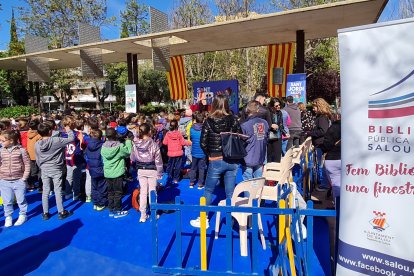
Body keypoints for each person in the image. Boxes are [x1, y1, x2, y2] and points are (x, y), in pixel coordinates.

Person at [191, 95, 242, 228]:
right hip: (231, 159)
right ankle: (231, 219)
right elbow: (240, 137)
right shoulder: (234, 119)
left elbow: (203, 142)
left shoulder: (209, 121)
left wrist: (210, 154)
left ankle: (204, 219)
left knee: (208, 190)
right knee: (230, 192)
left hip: (215, 159)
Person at [36, 122, 74, 220]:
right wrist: (68, 129)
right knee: (58, 190)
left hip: (44, 168)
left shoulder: (37, 144)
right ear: (50, 131)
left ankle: (45, 212)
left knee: (46, 191)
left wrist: (42, 166)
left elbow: (37, 159)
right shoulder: (56, 140)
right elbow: (71, 139)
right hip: (56, 168)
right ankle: (61, 211)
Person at [132, 123, 163, 223]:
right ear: (149, 131)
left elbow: (132, 157)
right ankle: (153, 213)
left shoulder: (136, 144)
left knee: (143, 192)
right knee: (152, 191)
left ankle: (143, 215)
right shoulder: (154, 144)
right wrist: (159, 173)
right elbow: (158, 160)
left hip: (141, 169)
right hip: (152, 169)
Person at [0, 130, 30, 227]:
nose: (1, 142)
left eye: (3, 140)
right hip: (4, 180)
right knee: (7, 201)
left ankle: (23, 215)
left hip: (19, 180)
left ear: (11, 140)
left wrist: (24, 178)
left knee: (21, 199)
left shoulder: (21, 150)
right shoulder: (1, 151)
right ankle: (8, 217)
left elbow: (27, 164)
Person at [101, 127, 132, 218]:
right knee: (118, 192)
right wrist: (128, 141)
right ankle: (118, 210)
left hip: (107, 173)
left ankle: (111, 209)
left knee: (110, 192)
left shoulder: (103, 146)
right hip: (117, 173)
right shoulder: (119, 146)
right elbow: (128, 153)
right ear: (115, 135)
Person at [308, 98, 333, 191]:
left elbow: (323, 130)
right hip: (321, 144)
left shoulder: (322, 117)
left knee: (322, 165)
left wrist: (311, 133)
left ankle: (325, 184)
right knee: (322, 164)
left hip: (321, 144)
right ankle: (324, 183)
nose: (313, 109)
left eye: (314, 107)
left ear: (319, 106)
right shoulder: (323, 116)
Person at [241, 100, 269, 180]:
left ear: (247, 110)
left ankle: (251, 193)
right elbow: (266, 138)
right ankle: (257, 192)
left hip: (248, 156)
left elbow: (242, 142)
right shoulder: (265, 123)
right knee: (258, 180)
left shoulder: (245, 125)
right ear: (257, 110)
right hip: (260, 154)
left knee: (248, 182)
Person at [320, 109, 341, 206]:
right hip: (348, 160)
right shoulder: (353, 127)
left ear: (337, 116)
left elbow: (326, 145)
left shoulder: (333, 128)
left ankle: (338, 207)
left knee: (336, 185)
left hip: (333, 159)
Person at [162, 119, 191, 186]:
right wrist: (189, 143)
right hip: (178, 153)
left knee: (170, 166)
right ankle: (176, 179)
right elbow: (183, 143)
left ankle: (168, 178)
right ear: (177, 126)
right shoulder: (179, 134)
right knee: (178, 166)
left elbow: (164, 142)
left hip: (171, 153)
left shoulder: (168, 134)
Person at [85, 129, 107, 211]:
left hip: (92, 168)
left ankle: (96, 203)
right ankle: (101, 204)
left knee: (94, 187)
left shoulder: (88, 146)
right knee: (102, 187)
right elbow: (103, 158)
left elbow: (86, 157)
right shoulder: (102, 146)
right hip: (100, 169)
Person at [188, 112, 206, 189]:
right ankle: (200, 183)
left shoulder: (192, 129)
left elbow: (191, 138)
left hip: (194, 151)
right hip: (202, 152)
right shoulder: (205, 129)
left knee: (193, 167)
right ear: (203, 120)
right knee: (201, 168)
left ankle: (191, 182)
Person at [267, 98, 288, 163]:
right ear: (272, 106)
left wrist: (285, 133)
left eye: (279, 105)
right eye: (276, 106)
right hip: (269, 136)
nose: (278, 107)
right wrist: (271, 125)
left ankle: (277, 170)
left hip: (278, 136)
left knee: (277, 155)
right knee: (269, 155)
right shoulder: (268, 113)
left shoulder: (280, 113)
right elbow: (265, 123)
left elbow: (281, 125)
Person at [27, 119, 42, 192]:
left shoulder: (28, 133)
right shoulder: (39, 135)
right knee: (40, 171)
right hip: (37, 155)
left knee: (32, 171)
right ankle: (40, 186)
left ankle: (31, 185)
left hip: (30, 154)